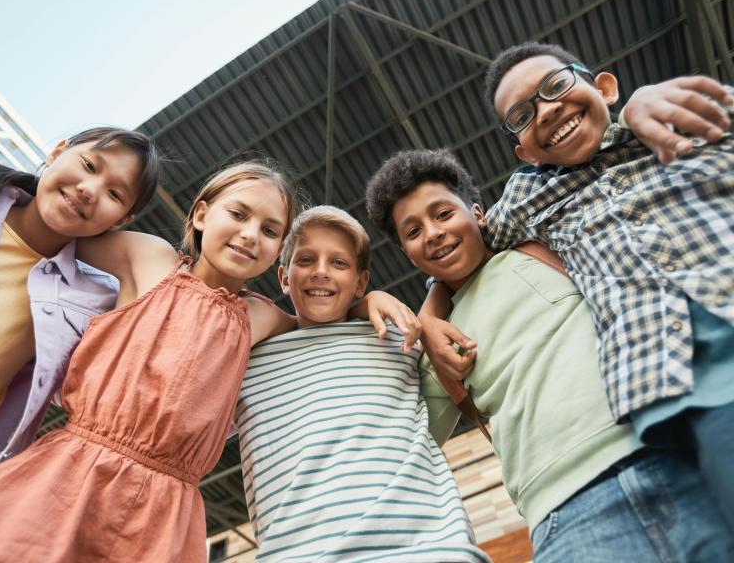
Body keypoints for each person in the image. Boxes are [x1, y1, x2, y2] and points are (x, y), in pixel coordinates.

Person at [364, 149, 734, 561]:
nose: (431, 233)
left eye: (443, 214)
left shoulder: (551, 245)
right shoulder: (437, 344)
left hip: (671, 454)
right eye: (412, 232)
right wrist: (376, 304)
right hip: (565, 515)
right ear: (407, 254)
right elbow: (403, 438)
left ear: (478, 212)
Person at [0, 159, 301, 561]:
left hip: (165, 510)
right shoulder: (150, 259)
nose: (250, 235)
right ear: (200, 214)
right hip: (70, 470)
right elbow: (55, 226)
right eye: (238, 214)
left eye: (270, 231)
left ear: (280, 250)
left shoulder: (261, 317)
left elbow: (331, 324)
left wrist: (370, 299)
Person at [483, 41, 734, 527]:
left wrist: (645, 99)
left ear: (604, 86)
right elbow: (457, 244)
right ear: (524, 152)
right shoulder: (527, 201)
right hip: (690, 383)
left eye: (556, 86)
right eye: (522, 114)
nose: (548, 110)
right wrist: (427, 311)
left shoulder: (673, 117)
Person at [234, 205, 489, 562]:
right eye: (306, 260)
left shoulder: (398, 335)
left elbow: (456, 282)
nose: (321, 272)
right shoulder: (245, 360)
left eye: (339, 263)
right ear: (283, 277)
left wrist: (387, 306)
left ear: (361, 281)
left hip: (429, 549)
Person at [0, 128, 160, 501]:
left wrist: (126, 252)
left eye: (115, 194)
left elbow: (110, 390)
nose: (90, 189)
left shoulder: (90, 302)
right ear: (56, 152)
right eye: (88, 165)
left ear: (122, 220)